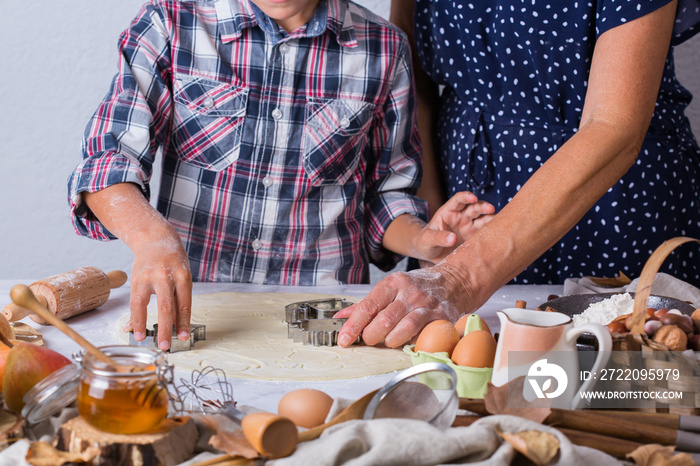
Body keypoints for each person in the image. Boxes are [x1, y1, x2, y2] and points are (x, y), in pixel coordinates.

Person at [67, 0, 495, 350]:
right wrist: (150, 238)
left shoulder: (384, 49)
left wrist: (422, 240)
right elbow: (108, 160)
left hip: (330, 317)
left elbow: (386, 195)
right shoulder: (171, 22)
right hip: (198, 312)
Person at [336, 0, 700, 348]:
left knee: (620, 382)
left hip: (614, 208)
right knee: (484, 390)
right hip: (470, 207)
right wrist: (433, 233)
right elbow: (414, 80)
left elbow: (613, 127)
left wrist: (461, 277)